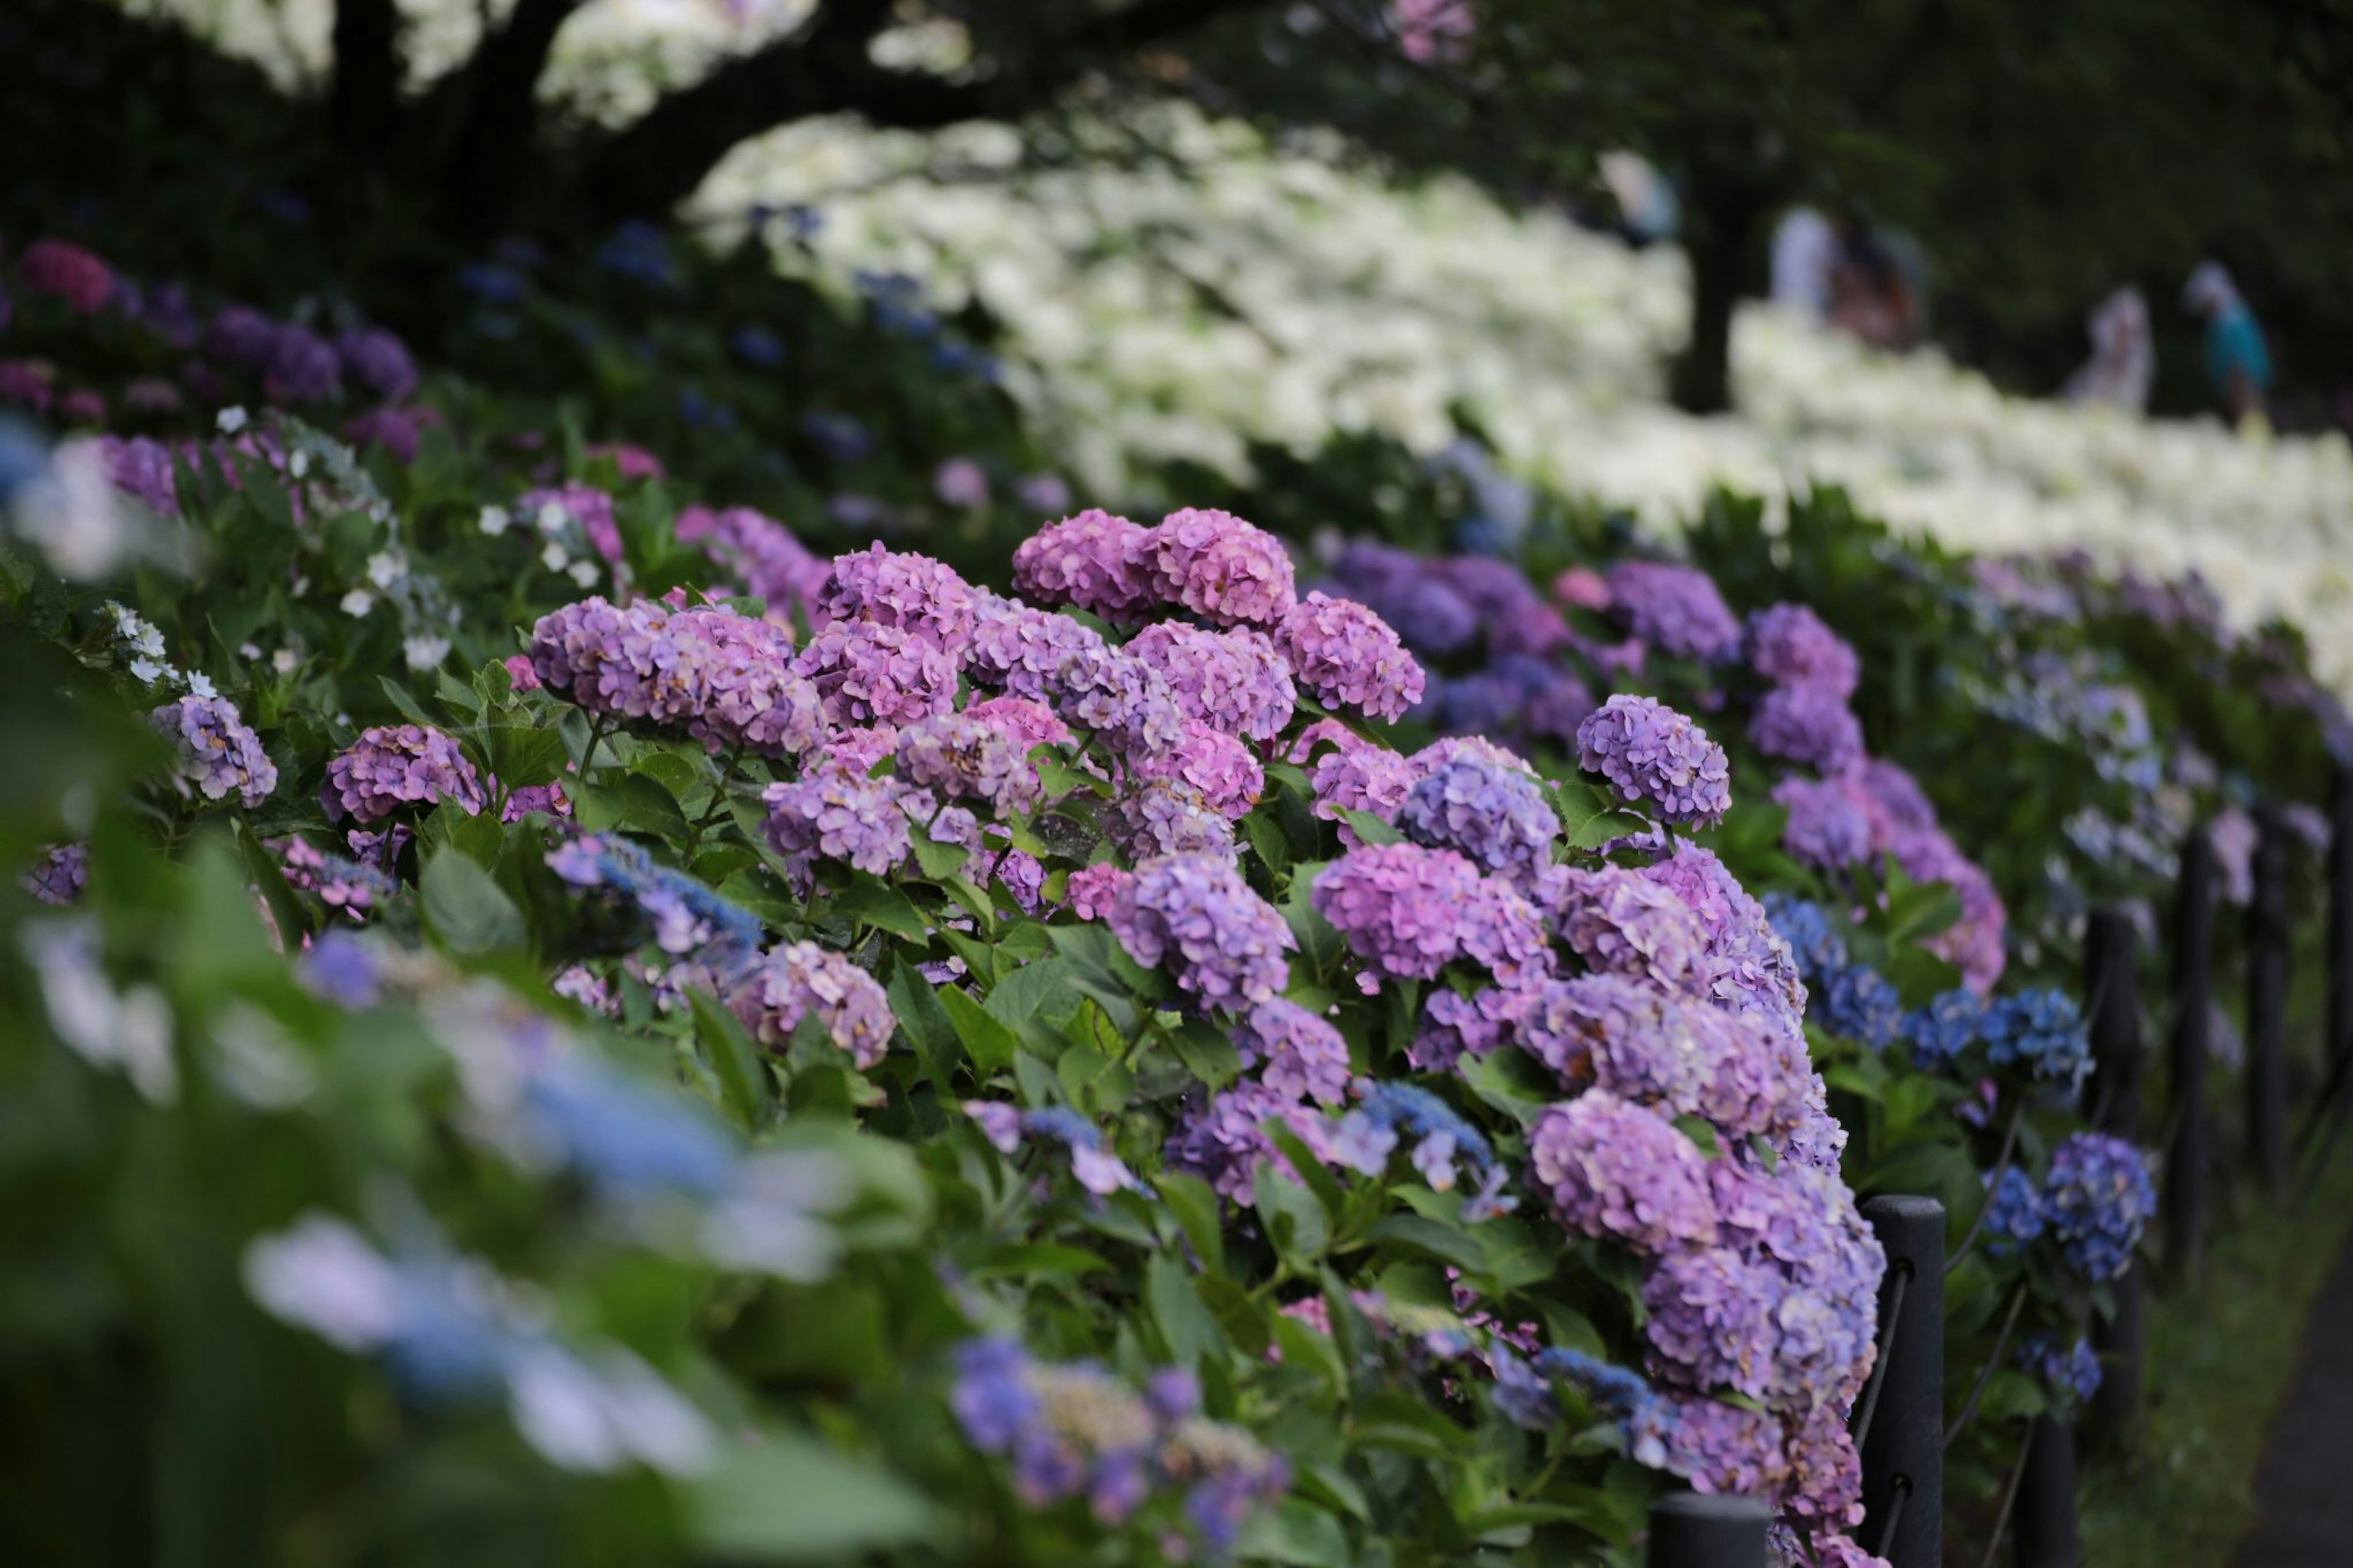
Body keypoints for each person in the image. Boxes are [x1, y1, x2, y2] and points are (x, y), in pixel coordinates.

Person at [2181, 262, 2273, 423]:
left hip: (2243, 387)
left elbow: (2239, 366)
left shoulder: (2231, 321)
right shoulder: (2231, 317)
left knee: (2250, 422)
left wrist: (2240, 393)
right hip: (2240, 386)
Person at [2064, 287, 2154, 412]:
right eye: (2121, 331)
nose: (2126, 340)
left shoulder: (2140, 369)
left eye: (2132, 332)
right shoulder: (2091, 374)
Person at [1770, 207, 1840, 320]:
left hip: (1785, 296)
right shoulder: (1820, 231)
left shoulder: (1794, 227)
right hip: (1810, 299)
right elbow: (1831, 265)